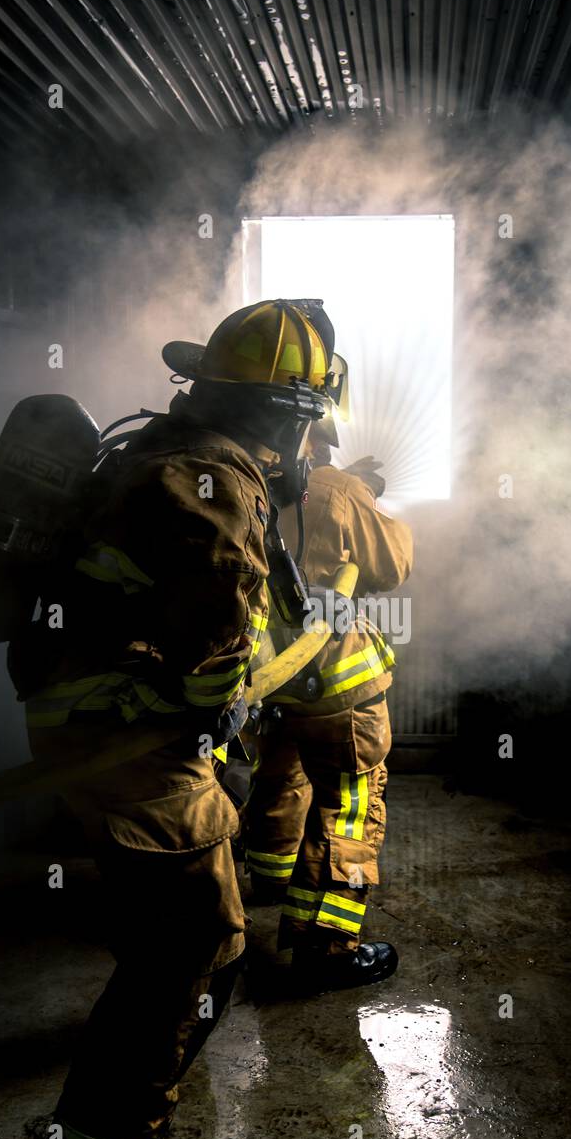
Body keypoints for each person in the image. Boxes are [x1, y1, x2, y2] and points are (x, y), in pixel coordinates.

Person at [9, 299, 335, 1139]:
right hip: (124, 742)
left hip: (108, 729)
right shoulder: (213, 482)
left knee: (185, 943)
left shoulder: (171, 455)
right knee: (189, 950)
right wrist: (226, 702)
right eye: (307, 420)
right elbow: (215, 637)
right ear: (284, 413)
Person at [244, 418, 413, 990]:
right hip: (337, 682)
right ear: (307, 435)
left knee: (282, 776)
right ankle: (326, 948)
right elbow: (390, 565)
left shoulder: (236, 480)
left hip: (271, 676)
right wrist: (358, 491)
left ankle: (270, 878)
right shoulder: (337, 486)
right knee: (350, 807)